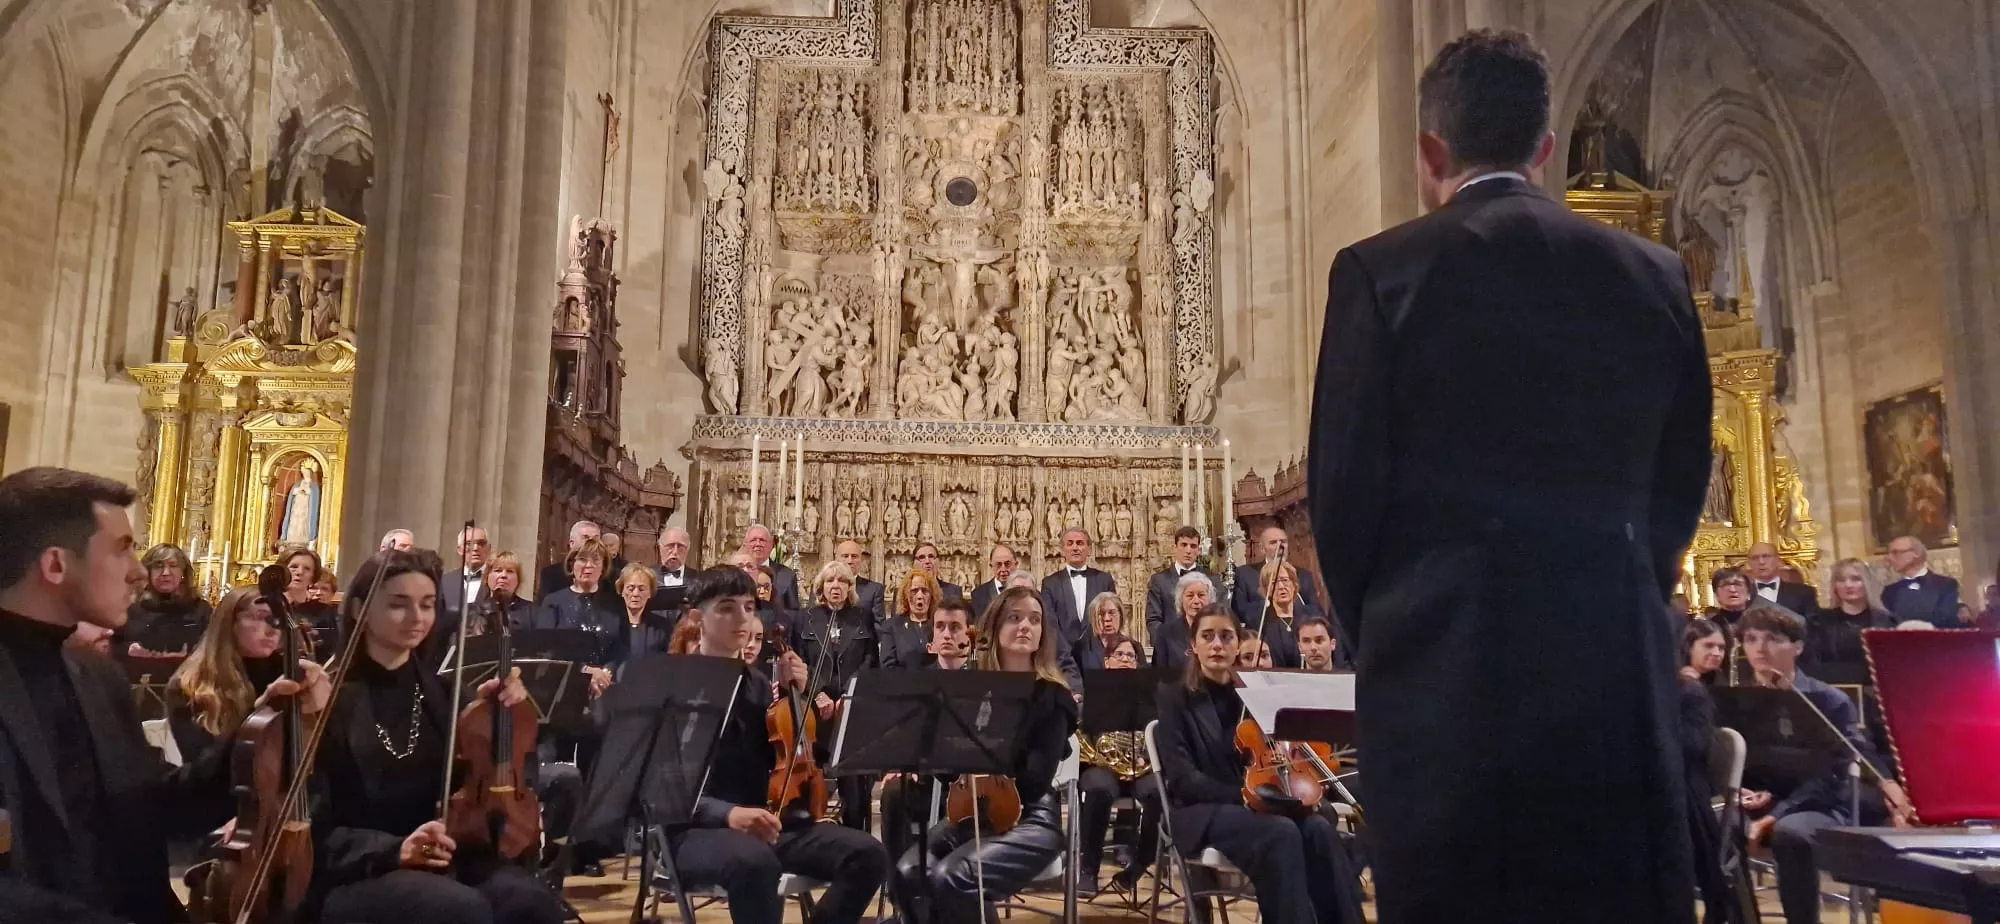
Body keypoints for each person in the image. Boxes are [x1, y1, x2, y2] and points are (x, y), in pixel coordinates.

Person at [1307, 29, 1712, 919]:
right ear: (1545, 148)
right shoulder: (1655, 275)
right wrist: (1623, 593)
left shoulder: (1382, 273)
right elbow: (1680, 489)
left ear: (1429, 153)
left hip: (1446, 678)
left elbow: (1341, 503)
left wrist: (1398, 630)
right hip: (1613, 674)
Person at [0, 466, 328, 924]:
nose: (139, 573)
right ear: (56, 564)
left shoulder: (96, 676)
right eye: (122, 551)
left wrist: (267, 727)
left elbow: (154, 806)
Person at [305, 548, 566, 924]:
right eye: (399, 604)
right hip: (357, 869)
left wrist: (498, 720)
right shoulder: (326, 701)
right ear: (359, 608)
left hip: (443, 855)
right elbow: (310, 828)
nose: (417, 617)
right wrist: (396, 850)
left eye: (427, 605)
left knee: (531, 903)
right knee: (459, 909)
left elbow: (486, 782)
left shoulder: (445, 694)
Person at [669, 566, 889, 924]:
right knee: (755, 862)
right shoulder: (674, 686)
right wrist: (727, 814)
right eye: (727, 607)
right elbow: (664, 788)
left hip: (764, 822)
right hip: (695, 830)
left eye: (748, 606)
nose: (742, 616)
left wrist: (797, 696)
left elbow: (789, 756)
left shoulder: (756, 685)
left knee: (868, 854)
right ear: (697, 617)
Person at [1154, 607, 1366, 924]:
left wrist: (1280, 768)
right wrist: (1243, 795)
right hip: (1200, 809)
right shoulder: (1174, 697)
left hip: (1259, 805)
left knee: (1320, 830)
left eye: (1226, 637)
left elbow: (1268, 757)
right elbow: (1184, 779)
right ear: (1193, 645)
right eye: (1207, 636)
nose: (1217, 645)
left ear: (1238, 645)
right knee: (1281, 833)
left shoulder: (1251, 695)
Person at [891, 585, 1078, 924]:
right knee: (907, 873)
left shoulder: (1053, 697)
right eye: (1015, 617)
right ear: (993, 628)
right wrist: (938, 742)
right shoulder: (973, 689)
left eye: (1035, 620)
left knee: (953, 877)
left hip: (1031, 818)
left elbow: (1035, 782)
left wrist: (980, 751)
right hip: (970, 813)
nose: (1026, 626)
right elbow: (947, 775)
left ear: (1042, 635)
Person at [1734, 607, 1911, 924]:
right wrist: (1739, 792)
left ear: (1797, 647)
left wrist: (1776, 814)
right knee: (1710, 825)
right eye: (1751, 639)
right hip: (1760, 799)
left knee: (1790, 834)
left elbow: (1830, 775)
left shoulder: (1827, 700)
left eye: (1772, 639)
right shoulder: (1737, 699)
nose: (1760, 648)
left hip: (1819, 802)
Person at [877, 598, 976, 864]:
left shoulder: (982, 679)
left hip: (969, 785)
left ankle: (957, 882)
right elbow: (902, 731)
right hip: (927, 782)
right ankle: (903, 885)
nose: (946, 633)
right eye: (941, 626)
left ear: (970, 634)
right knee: (894, 793)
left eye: (955, 627)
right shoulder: (916, 680)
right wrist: (899, 764)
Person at [794, 560, 878, 831]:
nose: (836, 586)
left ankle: (855, 834)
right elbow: (799, 661)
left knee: (853, 786)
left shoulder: (861, 617)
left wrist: (849, 696)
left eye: (842, 581)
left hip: (850, 710)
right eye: (830, 581)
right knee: (814, 777)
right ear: (820, 587)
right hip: (815, 711)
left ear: (849, 588)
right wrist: (818, 693)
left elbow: (870, 660)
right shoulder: (806, 618)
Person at [1076, 633, 1159, 895]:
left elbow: (1158, 732)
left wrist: (1145, 755)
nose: (1125, 659)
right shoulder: (1094, 692)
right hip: (1102, 766)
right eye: (1119, 655)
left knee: (1159, 792)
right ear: (1107, 661)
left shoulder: (1150, 694)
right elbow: (1084, 732)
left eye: (1131, 656)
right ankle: (1089, 869)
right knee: (1099, 790)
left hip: (1140, 766)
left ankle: (1142, 863)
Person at [165, 588, 288, 765]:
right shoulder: (190, 685)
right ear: (229, 622)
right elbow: (201, 765)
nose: (273, 630)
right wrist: (261, 709)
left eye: (279, 621)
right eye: (261, 617)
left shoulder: (287, 675)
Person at [1802, 558, 1894, 683]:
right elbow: (1812, 665)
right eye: (1841, 580)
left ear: (1867, 583)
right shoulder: (1819, 621)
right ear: (1834, 586)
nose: (1848, 585)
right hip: (1832, 692)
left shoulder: (1887, 622)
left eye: (1855, 579)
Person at [1038, 527, 1107, 687]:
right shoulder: (1050, 583)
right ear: (1063, 549)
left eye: (1080, 543)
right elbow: (1049, 622)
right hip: (1061, 659)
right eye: (1070, 543)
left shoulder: (1104, 579)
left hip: (1097, 658)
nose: (1075, 547)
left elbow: (1109, 616)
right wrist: (1063, 653)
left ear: (1089, 549)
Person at [124, 543, 211, 655]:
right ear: (147, 572)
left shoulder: (201, 610)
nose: (165, 573)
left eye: (173, 565)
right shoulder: (131, 609)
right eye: (158, 566)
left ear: (183, 573)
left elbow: (211, 650)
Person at [1230, 527, 1323, 626]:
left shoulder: (1304, 575)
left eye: (1283, 541)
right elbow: (1239, 611)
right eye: (1273, 542)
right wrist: (1273, 605)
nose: (1280, 546)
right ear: (1262, 548)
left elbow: (1315, 609)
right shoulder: (1245, 574)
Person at [1250, 559, 1322, 668]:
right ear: (1267, 589)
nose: (1281, 587)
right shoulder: (1259, 621)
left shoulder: (1312, 616)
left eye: (1285, 580)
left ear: (1294, 584)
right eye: (1274, 582)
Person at [1880, 535, 1961, 627]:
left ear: (1916, 553)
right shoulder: (1889, 591)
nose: (1889, 558)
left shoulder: (1945, 585)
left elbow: (1947, 620)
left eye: (1895, 552)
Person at [1150, 570, 1216, 681]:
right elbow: (1158, 675)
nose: (1196, 601)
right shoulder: (1165, 633)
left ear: (1209, 599)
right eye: (1190, 596)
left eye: (1201, 595)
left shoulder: (1218, 631)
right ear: (1181, 600)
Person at [438, 523, 492, 645]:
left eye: (481, 543)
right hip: (449, 652)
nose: (475, 548)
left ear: (489, 548)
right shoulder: (444, 581)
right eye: (469, 544)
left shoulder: (497, 578)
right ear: (459, 550)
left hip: (486, 650)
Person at [1147, 527, 1207, 636]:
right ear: (1174, 548)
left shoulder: (1212, 579)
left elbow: (1220, 616)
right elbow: (1153, 620)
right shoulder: (1159, 581)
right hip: (1169, 647)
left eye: (1193, 546)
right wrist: (1165, 646)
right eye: (1184, 545)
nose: (1188, 551)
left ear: (1199, 550)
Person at [880, 569, 941, 670]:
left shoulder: (940, 625)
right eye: (914, 591)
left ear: (932, 596)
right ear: (906, 596)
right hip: (903, 684)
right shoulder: (892, 626)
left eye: (925, 591)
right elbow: (888, 667)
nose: (920, 596)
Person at [1744, 543, 1818, 615]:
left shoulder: (1804, 592)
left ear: (1777, 559)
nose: (1761, 562)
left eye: (1766, 556)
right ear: (1749, 563)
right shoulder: (1740, 593)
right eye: (1755, 558)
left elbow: (1812, 624)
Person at [536, 520, 599, 603]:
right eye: (585, 537)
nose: (591, 543)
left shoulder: (609, 576)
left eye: (595, 539)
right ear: (572, 543)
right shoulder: (552, 574)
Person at [1077, 592, 1142, 670]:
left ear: (1120, 616)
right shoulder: (1081, 648)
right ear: (1093, 618)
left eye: (1112, 613)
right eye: (1101, 614)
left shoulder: (1135, 647)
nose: (1107, 619)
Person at [744, 524, 800, 609]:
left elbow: (794, 614)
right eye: (753, 540)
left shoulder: (787, 576)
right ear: (745, 546)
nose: (758, 544)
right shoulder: (736, 572)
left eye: (762, 540)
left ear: (771, 546)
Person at [832, 540, 885, 627]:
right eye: (845, 556)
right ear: (836, 559)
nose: (850, 561)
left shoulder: (874, 589)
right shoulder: (822, 587)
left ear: (861, 559)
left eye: (854, 556)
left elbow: (879, 626)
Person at [971, 543, 1020, 620]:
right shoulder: (978, 594)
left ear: (1016, 564)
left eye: (1007, 564)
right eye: (998, 565)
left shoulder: (1027, 591)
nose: (1003, 569)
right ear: (991, 566)